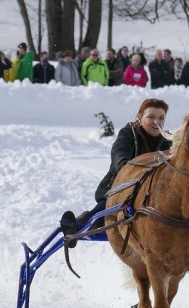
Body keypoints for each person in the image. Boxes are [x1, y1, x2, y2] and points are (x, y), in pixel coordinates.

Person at [60, 99, 172, 245]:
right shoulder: (129, 133)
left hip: (153, 195)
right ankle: (74, 227)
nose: (156, 121)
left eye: (161, 118)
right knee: (103, 214)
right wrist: (128, 169)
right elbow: (119, 153)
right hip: (121, 188)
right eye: (151, 117)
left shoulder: (168, 141)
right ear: (139, 117)